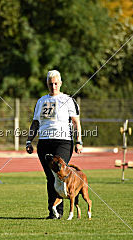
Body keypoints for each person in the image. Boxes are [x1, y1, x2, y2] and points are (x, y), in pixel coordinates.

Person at [26, 70, 83, 219]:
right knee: (50, 178)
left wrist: (79, 141)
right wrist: (29, 140)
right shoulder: (41, 101)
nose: (53, 86)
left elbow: (76, 123)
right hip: (44, 142)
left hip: (63, 141)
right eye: (51, 84)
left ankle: (72, 199)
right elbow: (35, 123)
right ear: (47, 84)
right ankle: (54, 212)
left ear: (61, 83)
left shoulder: (68, 100)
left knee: (61, 174)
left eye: (56, 83)